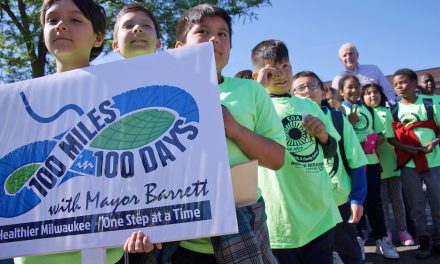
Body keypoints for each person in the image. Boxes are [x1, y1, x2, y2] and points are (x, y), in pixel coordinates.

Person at [125, 4, 286, 264]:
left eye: (223, 34)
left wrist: (235, 129)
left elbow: (277, 158)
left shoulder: (250, 91)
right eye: (203, 31)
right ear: (179, 48)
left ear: (230, 48)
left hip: (243, 225)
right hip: (177, 235)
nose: (215, 39)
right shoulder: (158, 94)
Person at [14, 0, 123, 263]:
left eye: (75, 20)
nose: (61, 25)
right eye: (52, 20)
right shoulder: (16, 103)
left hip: (102, 251)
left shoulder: (121, 93)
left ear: (98, 38)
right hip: (33, 253)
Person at [251, 39, 341, 264]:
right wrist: (257, 90)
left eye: (285, 67)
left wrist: (323, 136)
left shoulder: (310, 105)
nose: (281, 75)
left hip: (321, 214)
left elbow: (331, 150)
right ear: (258, 76)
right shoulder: (255, 107)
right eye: (272, 71)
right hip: (281, 220)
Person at [292, 70, 368, 264]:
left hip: (339, 201)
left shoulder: (337, 119)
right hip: (308, 205)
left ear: (324, 91)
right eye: (300, 87)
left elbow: (356, 161)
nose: (307, 90)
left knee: (350, 254)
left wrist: (357, 198)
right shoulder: (288, 123)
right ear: (291, 94)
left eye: (312, 85)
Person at [338, 75, 400, 259]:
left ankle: (382, 240)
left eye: (357, 86)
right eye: (349, 87)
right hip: (350, 166)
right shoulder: (337, 111)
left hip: (371, 164)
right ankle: (359, 240)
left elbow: (380, 136)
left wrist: (370, 143)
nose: (354, 90)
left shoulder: (370, 111)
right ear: (341, 91)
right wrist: (350, 124)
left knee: (375, 202)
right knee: (353, 203)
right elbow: (337, 140)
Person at [387, 68, 440, 259]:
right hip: (409, 164)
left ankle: (438, 240)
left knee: (437, 201)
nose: (399, 87)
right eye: (395, 84)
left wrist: (434, 142)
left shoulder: (431, 102)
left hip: (434, 162)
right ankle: (424, 240)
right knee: (416, 205)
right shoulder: (393, 109)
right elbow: (390, 137)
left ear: (414, 82)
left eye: (402, 82)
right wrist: (405, 148)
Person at [361, 83, 415, 247]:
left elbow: (389, 137)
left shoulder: (387, 111)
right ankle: (387, 232)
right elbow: (370, 138)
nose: (372, 96)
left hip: (392, 163)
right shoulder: (364, 113)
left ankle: (403, 231)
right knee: (381, 201)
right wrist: (371, 145)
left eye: (375, 92)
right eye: (368, 93)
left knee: (397, 199)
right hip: (374, 166)